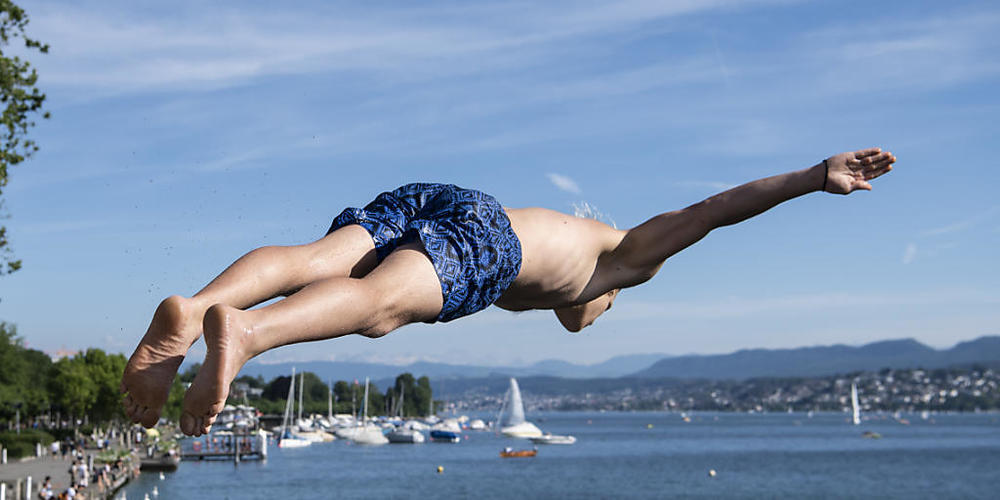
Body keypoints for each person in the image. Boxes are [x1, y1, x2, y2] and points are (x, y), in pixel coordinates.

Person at [120, 148, 896, 436]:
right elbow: (711, 213)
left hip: (438, 195)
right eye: (602, 312)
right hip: (486, 238)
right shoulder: (623, 258)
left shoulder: (566, 234)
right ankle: (247, 335)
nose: (587, 321)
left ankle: (194, 309)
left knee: (321, 259)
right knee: (382, 309)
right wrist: (810, 180)